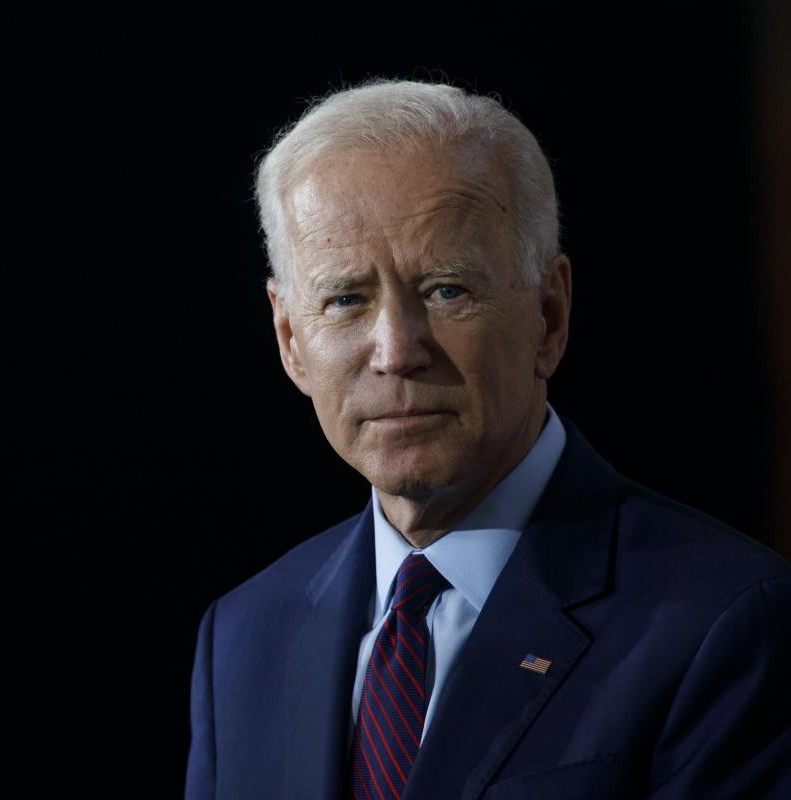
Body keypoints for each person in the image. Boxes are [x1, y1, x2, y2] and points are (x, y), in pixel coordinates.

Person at [184, 79, 790, 799]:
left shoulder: (725, 622)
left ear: (550, 315)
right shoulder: (245, 637)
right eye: (346, 299)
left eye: (447, 290)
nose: (396, 350)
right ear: (290, 340)